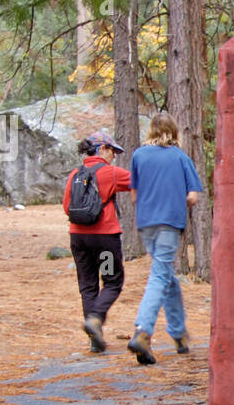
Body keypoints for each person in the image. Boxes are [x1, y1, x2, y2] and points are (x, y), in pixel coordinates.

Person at [127, 112, 204, 365]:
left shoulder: (138, 155)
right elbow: (193, 196)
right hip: (170, 222)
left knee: (167, 276)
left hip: (146, 222)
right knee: (160, 275)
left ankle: (179, 333)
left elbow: (134, 195)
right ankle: (143, 331)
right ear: (174, 132)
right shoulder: (180, 157)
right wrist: (177, 201)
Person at [62, 131, 131, 353]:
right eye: (112, 151)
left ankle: (95, 341)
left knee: (88, 286)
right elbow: (138, 181)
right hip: (104, 240)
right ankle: (95, 319)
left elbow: (66, 207)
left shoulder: (74, 174)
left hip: (78, 238)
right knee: (111, 282)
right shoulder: (111, 173)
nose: (114, 156)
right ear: (101, 149)